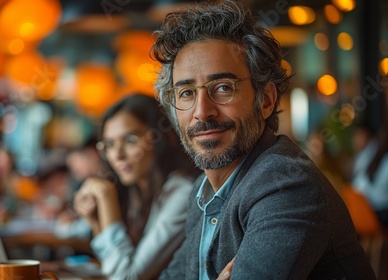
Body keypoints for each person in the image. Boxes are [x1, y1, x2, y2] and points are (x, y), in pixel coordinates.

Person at [151, 1, 376, 279]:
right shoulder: (203, 190)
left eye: (223, 88)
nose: (201, 111)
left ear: (266, 100)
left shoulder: (286, 185)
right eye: (186, 93)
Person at [73, 93, 200, 280]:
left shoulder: (182, 192)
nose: (117, 155)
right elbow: (113, 267)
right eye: (109, 144)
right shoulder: (135, 191)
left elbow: (125, 276)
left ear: (160, 139)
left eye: (130, 140)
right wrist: (95, 222)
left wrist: (105, 197)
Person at [352, 116, 388, 226]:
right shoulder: (371, 155)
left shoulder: (373, 155)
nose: (355, 139)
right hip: (377, 211)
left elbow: (358, 186)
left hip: (369, 210)